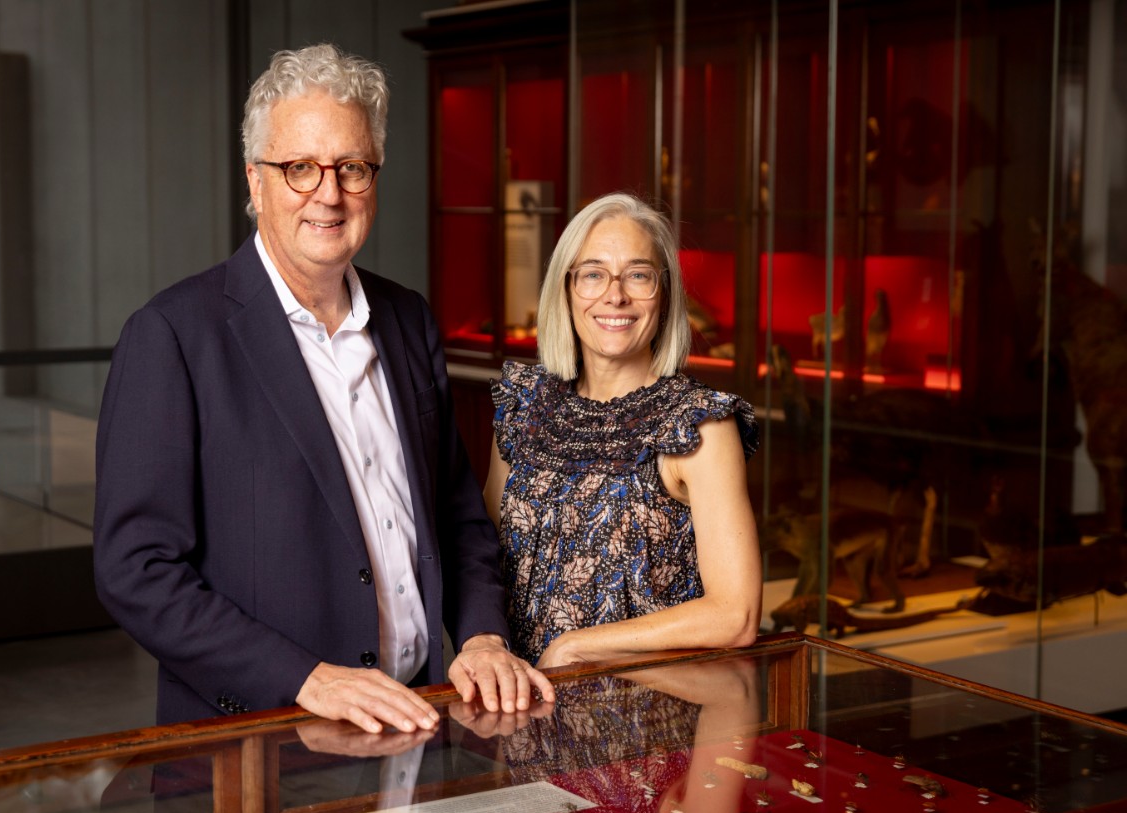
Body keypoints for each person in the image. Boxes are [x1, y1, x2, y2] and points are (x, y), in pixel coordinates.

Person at [94, 43, 553, 735]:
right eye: (300, 168)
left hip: (419, 728)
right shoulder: (173, 336)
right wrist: (304, 678)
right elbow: (136, 570)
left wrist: (484, 635)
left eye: (352, 168)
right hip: (262, 747)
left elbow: (457, 518)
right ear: (255, 182)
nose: (329, 193)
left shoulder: (408, 320)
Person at [483, 192, 762, 669]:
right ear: (566, 289)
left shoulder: (697, 424)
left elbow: (736, 614)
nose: (616, 295)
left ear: (665, 293)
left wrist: (576, 645)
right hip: (525, 710)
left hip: (644, 718)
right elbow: (485, 559)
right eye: (593, 274)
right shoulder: (523, 405)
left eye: (638, 275)